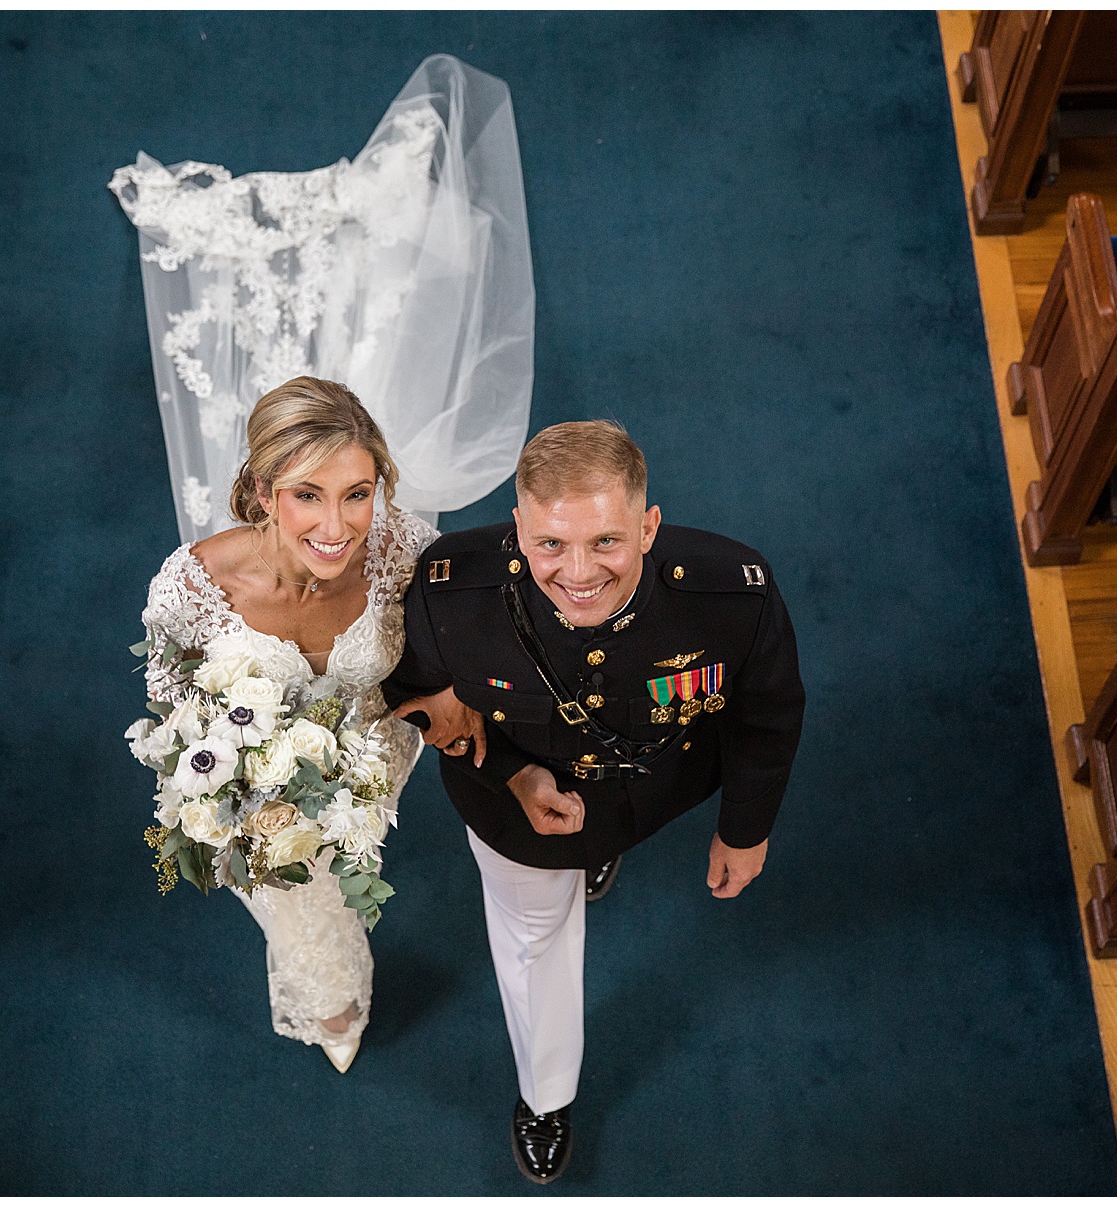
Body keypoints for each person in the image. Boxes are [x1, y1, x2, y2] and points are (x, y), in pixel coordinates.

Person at [383, 420, 806, 1183]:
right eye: (549, 544)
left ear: (649, 525)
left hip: (658, 789)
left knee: (600, 853)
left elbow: (766, 713)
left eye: (607, 541)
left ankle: (604, 854)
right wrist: (512, 771)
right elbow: (418, 697)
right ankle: (546, 1095)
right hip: (513, 808)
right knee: (533, 940)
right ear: (518, 526)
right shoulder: (452, 588)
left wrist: (745, 831)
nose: (578, 572)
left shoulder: (730, 592)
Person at [140, 376, 437, 1074]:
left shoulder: (402, 553)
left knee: (348, 863)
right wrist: (236, 790)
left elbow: (446, 645)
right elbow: (168, 702)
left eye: (357, 494)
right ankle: (335, 1001)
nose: (336, 529)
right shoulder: (196, 586)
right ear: (265, 489)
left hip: (373, 753)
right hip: (250, 786)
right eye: (308, 494)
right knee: (301, 891)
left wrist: (445, 703)